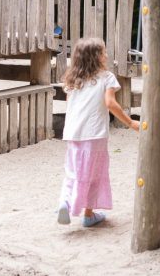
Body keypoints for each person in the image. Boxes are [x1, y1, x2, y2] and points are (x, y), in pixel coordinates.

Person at [57, 38, 140, 228]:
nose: (107, 55)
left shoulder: (72, 80)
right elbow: (110, 103)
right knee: (94, 172)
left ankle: (65, 202)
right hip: (94, 133)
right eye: (103, 52)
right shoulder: (106, 77)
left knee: (73, 170)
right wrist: (130, 122)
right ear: (95, 57)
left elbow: (71, 106)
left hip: (73, 132)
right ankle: (88, 214)